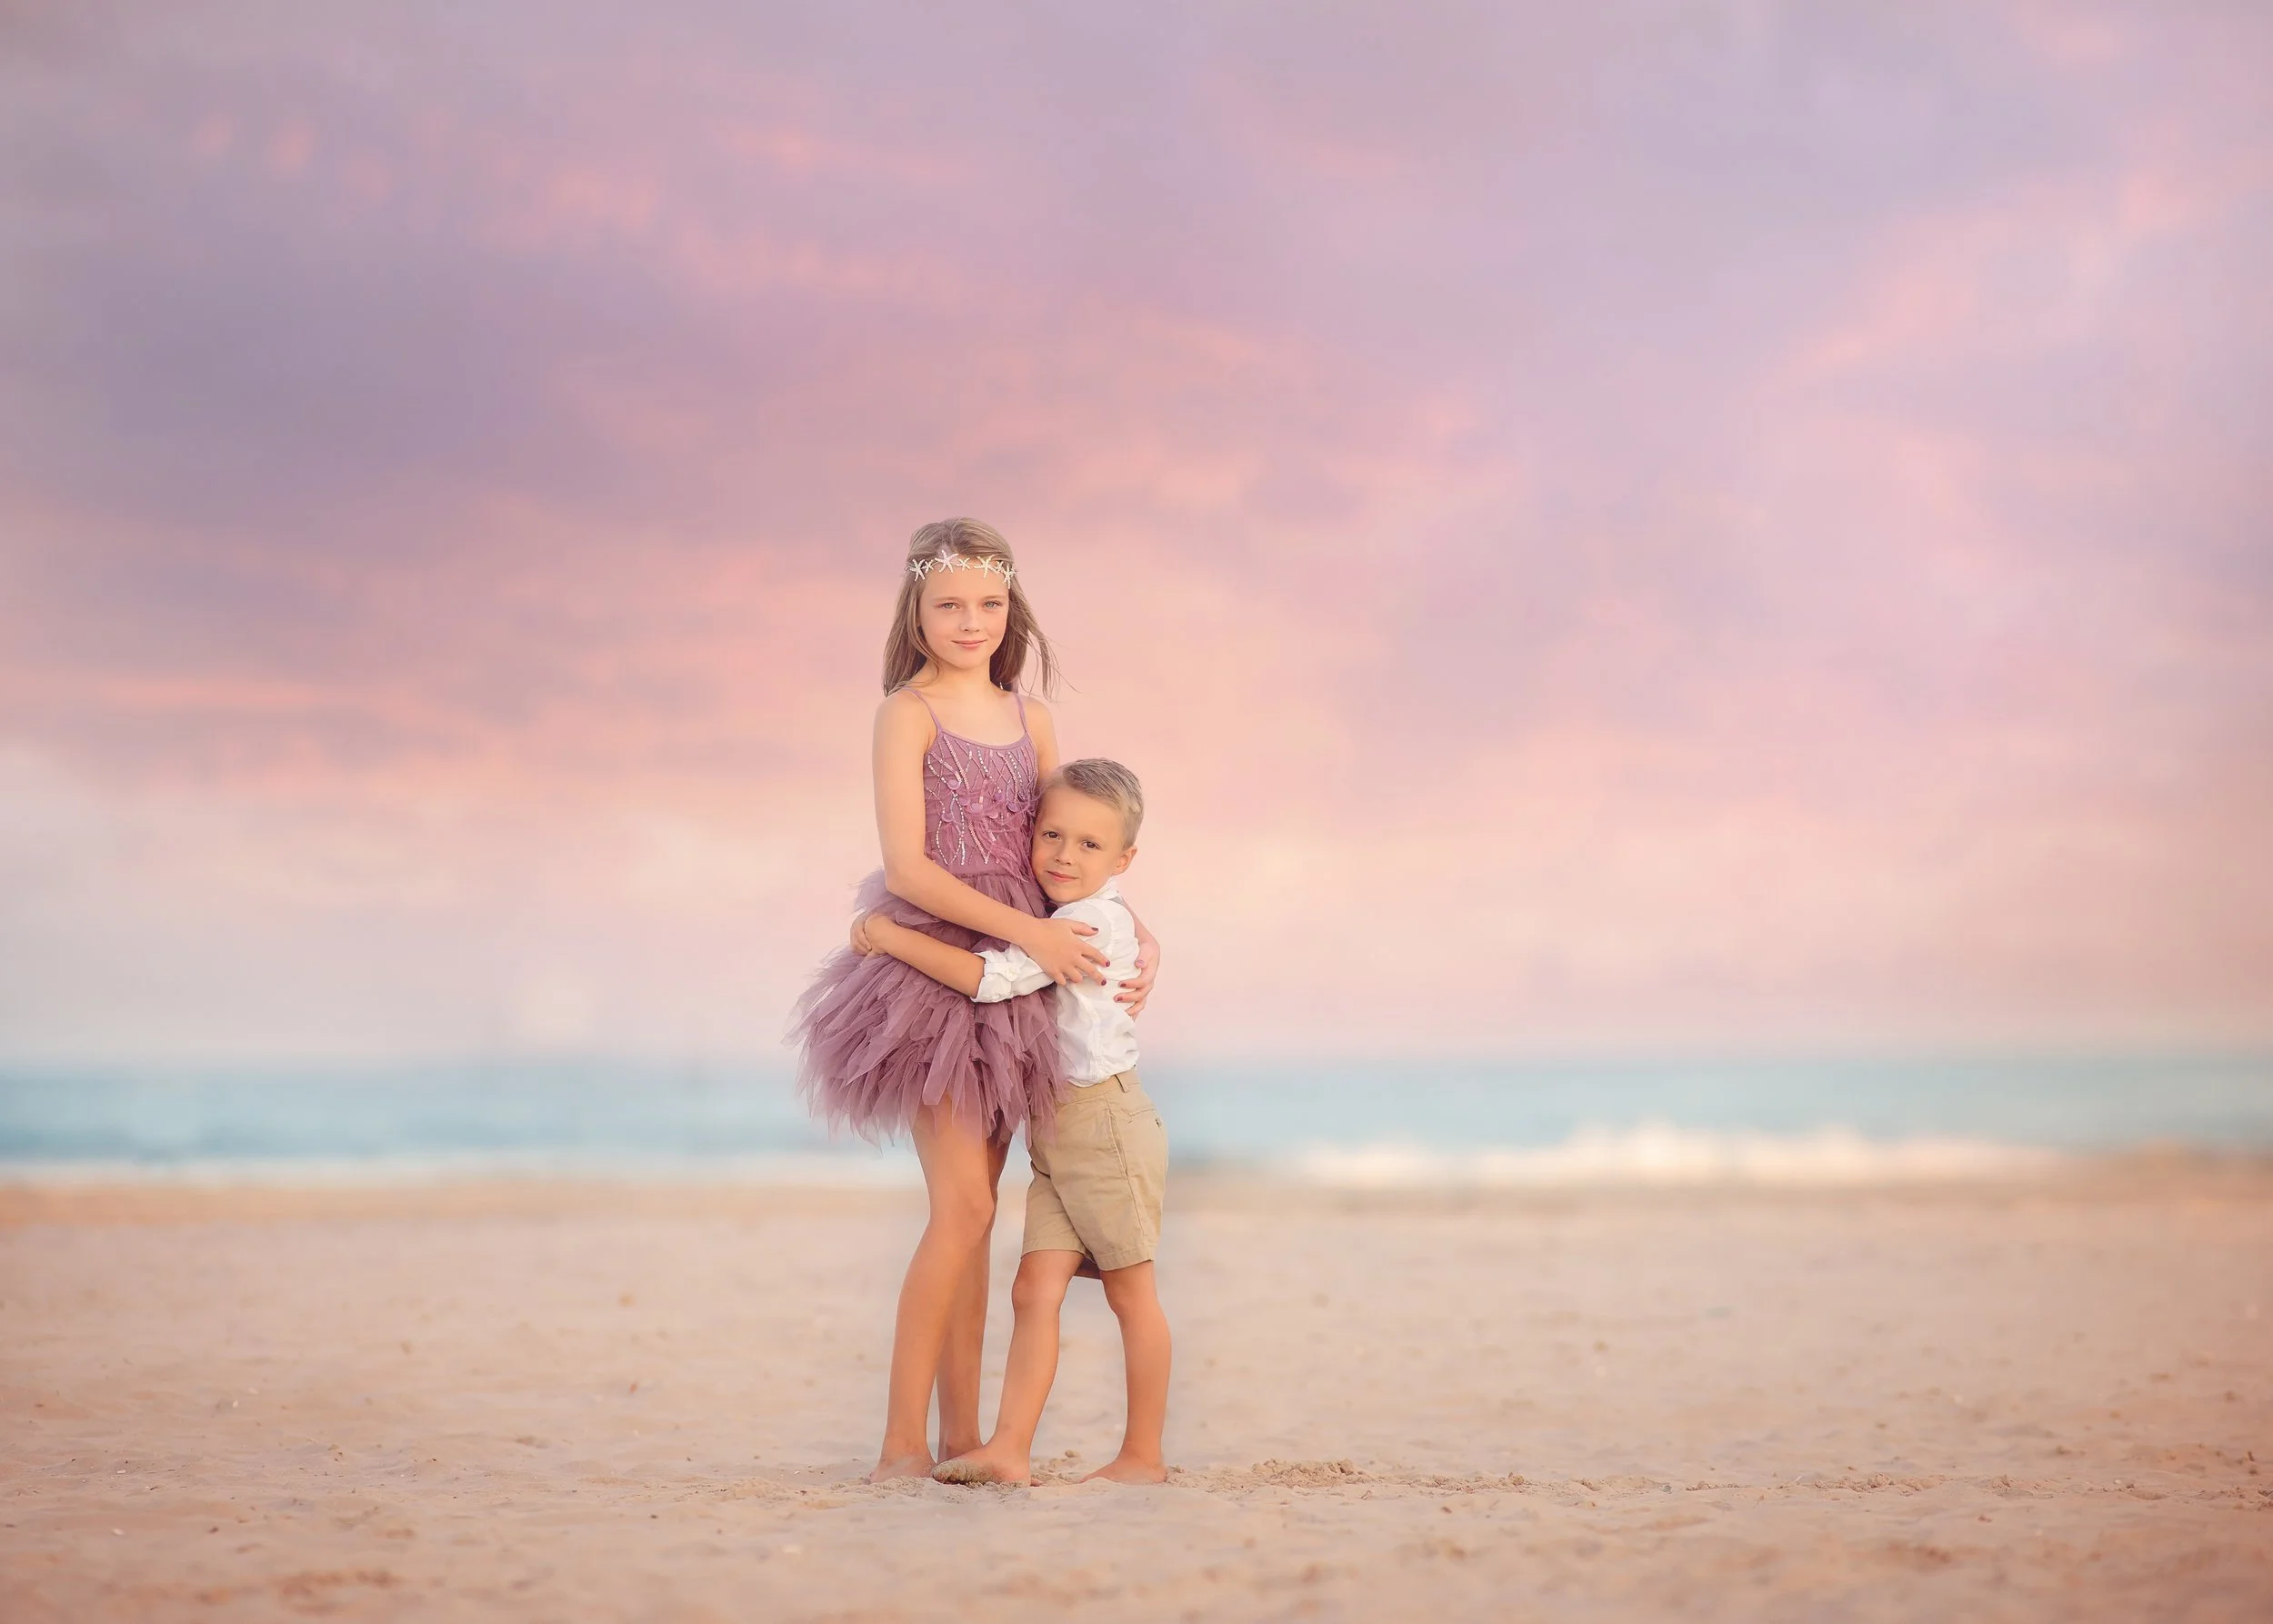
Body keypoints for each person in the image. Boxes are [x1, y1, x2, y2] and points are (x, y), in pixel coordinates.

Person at [790, 519, 1157, 1482]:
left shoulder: (1031, 717)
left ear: (1011, 609)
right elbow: (908, 864)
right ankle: (900, 1444)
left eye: (988, 605)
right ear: (917, 608)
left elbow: (1074, 842)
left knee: (979, 1211)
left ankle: (962, 1438)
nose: (970, 622)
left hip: (1021, 981)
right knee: (957, 1206)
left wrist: (1133, 927)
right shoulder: (905, 713)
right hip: (935, 967)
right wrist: (1029, 934)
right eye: (949, 604)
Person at [853, 758, 1171, 1486]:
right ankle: (1009, 1449)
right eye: (1051, 834)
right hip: (1058, 1135)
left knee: (1132, 1291)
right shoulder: (1067, 912)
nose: (1063, 855)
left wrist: (883, 936)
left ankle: (1142, 1456)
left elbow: (994, 980)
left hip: (1106, 1127)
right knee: (1033, 1291)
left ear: (1123, 860)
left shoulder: (1082, 922)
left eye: (1089, 845)